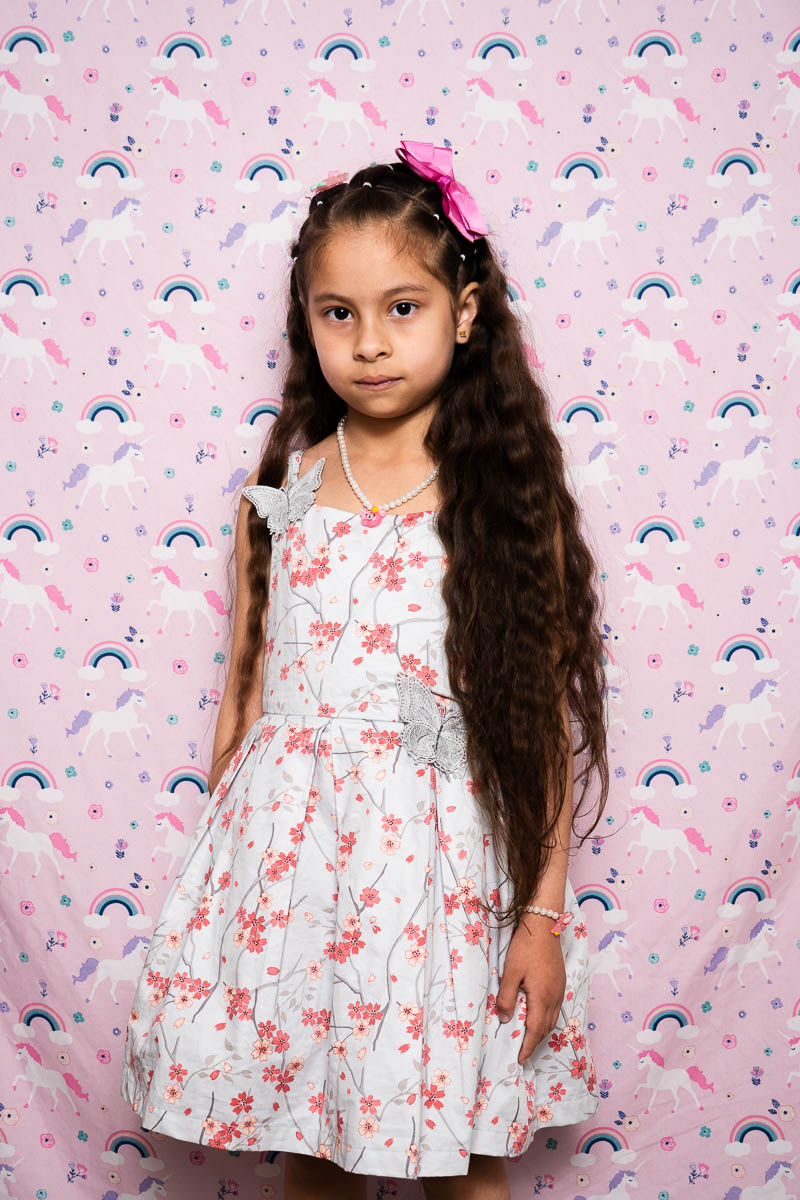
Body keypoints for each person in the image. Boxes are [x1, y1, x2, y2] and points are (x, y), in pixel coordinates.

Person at [121, 140, 609, 1200]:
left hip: (442, 877)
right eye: (337, 313)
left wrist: (540, 916)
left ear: (464, 313)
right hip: (292, 878)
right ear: (306, 321)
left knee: (461, 1158)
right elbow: (245, 697)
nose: (370, 342)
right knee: (312, 1142)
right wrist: (223, 890)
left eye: (402, 307)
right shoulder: (282, 491)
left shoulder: (498, 499)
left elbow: (535, 721)